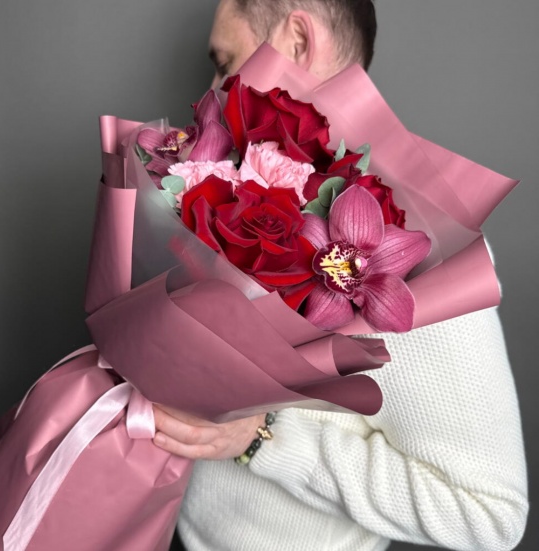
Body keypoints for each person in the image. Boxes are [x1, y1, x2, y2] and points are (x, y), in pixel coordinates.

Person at [152, 1, 529, 549]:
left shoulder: (427, 246)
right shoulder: (230, 193)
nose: (210, 93)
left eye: (224, 63)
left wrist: (262, 440)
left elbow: (488, 513)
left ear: (298, 42)